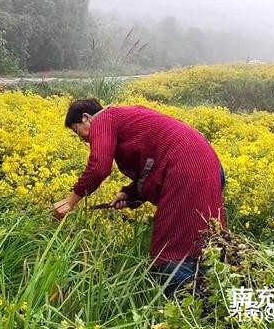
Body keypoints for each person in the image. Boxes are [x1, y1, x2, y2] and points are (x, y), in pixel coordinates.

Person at [53, 99, 226, 295]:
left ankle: (192, 308)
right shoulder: (128, 117)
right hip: (206, 161)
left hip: (187, 166)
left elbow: (99, 167)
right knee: (204, 235)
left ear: (86, 117)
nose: (83, 140)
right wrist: (130, 193)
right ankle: (218, 292)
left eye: (78, 132)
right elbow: (153, 163)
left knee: (171, 251)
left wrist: (70, 202)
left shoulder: (104, 118)